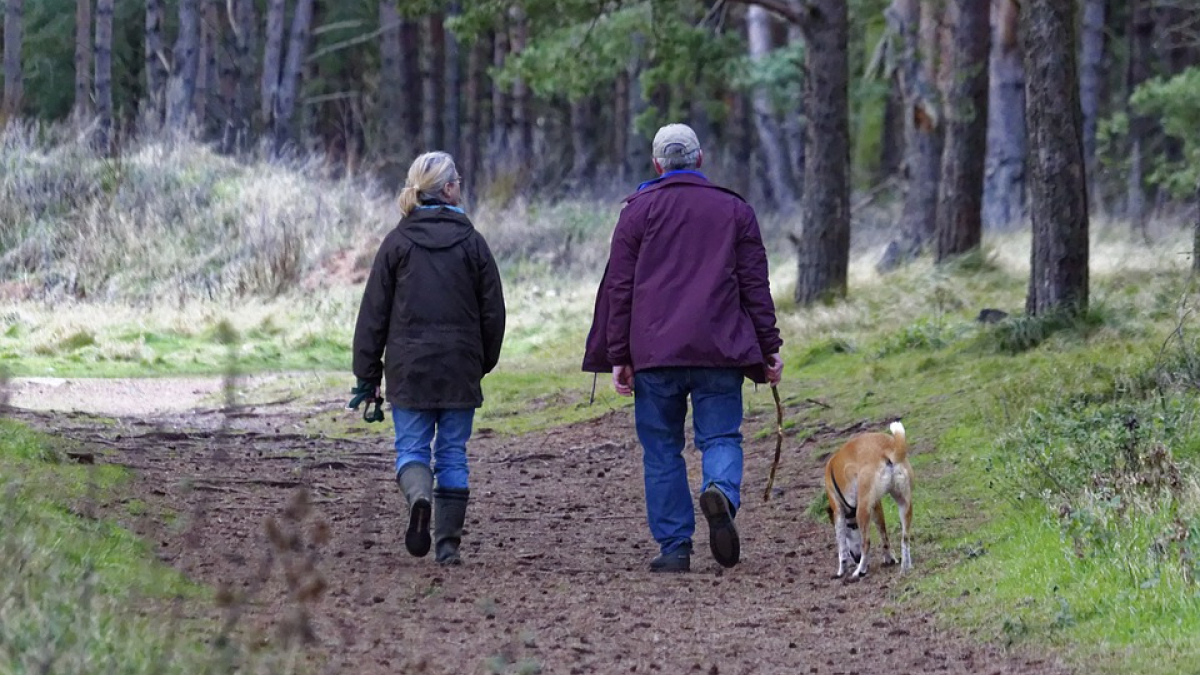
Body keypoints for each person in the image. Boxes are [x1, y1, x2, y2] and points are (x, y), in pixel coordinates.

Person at [583, 124, 784, 573]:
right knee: (721, 437)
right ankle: (720, 493)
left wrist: (619, 355)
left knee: (661, 450)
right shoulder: (734, 210)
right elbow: (755, 285)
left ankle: (675, 547)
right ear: (700, 159)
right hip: (720, 350)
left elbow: (620, 288)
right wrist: (769, 346)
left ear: (657, 165)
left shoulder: (636, 213)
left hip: (655, 356)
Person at [349, 151, 506, 566]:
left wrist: (367, 376)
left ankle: (419, 497)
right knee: (453, 453)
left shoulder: (397, 243)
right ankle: (448, 545)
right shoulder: (473, 242)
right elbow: (494, 312)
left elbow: (373, 315)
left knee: (412, 451)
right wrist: (482, 362)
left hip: (409, 368)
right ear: (449, 188)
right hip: (459, 367)